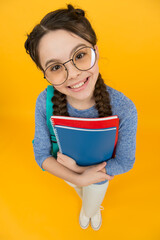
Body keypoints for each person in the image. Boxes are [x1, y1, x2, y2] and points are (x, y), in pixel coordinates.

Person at [24, 4, 137, 231]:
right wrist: (76, 179)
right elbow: (41, 155)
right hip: (65, 172)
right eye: (56, 66)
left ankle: (91, 211)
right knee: (81, 190)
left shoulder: (124, 108)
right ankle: (89, 207)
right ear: (45, 75)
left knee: (91, 200)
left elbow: (125, 162)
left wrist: (80, 173)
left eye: (80, 55)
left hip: (96, 176)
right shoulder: (43, 103)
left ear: (95, 50)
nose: (73, 73)